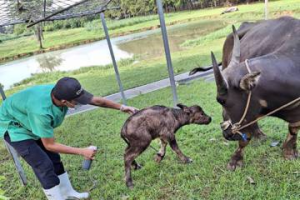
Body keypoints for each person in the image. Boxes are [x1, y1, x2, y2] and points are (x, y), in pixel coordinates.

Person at [0, 77, 138, 200]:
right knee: (44, 165)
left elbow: (95, 100)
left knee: (54, 159)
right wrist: (82, 151)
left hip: (30, 120)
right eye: (77, 102)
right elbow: (50, 145)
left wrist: (122, 107)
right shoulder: (41, 111)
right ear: (64, 101)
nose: (80, 103)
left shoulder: (65, 91)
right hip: (14, 127)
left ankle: (68, 192)